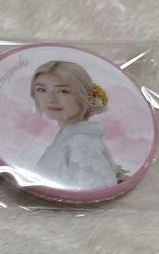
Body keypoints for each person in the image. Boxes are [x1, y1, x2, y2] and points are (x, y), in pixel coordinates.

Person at [30, 60, 122, 192]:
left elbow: (97, 191)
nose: (51, 99)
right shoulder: (70, 138)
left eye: (63, 91)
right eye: (41, 90)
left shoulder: (81, 142)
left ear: (87, 97)